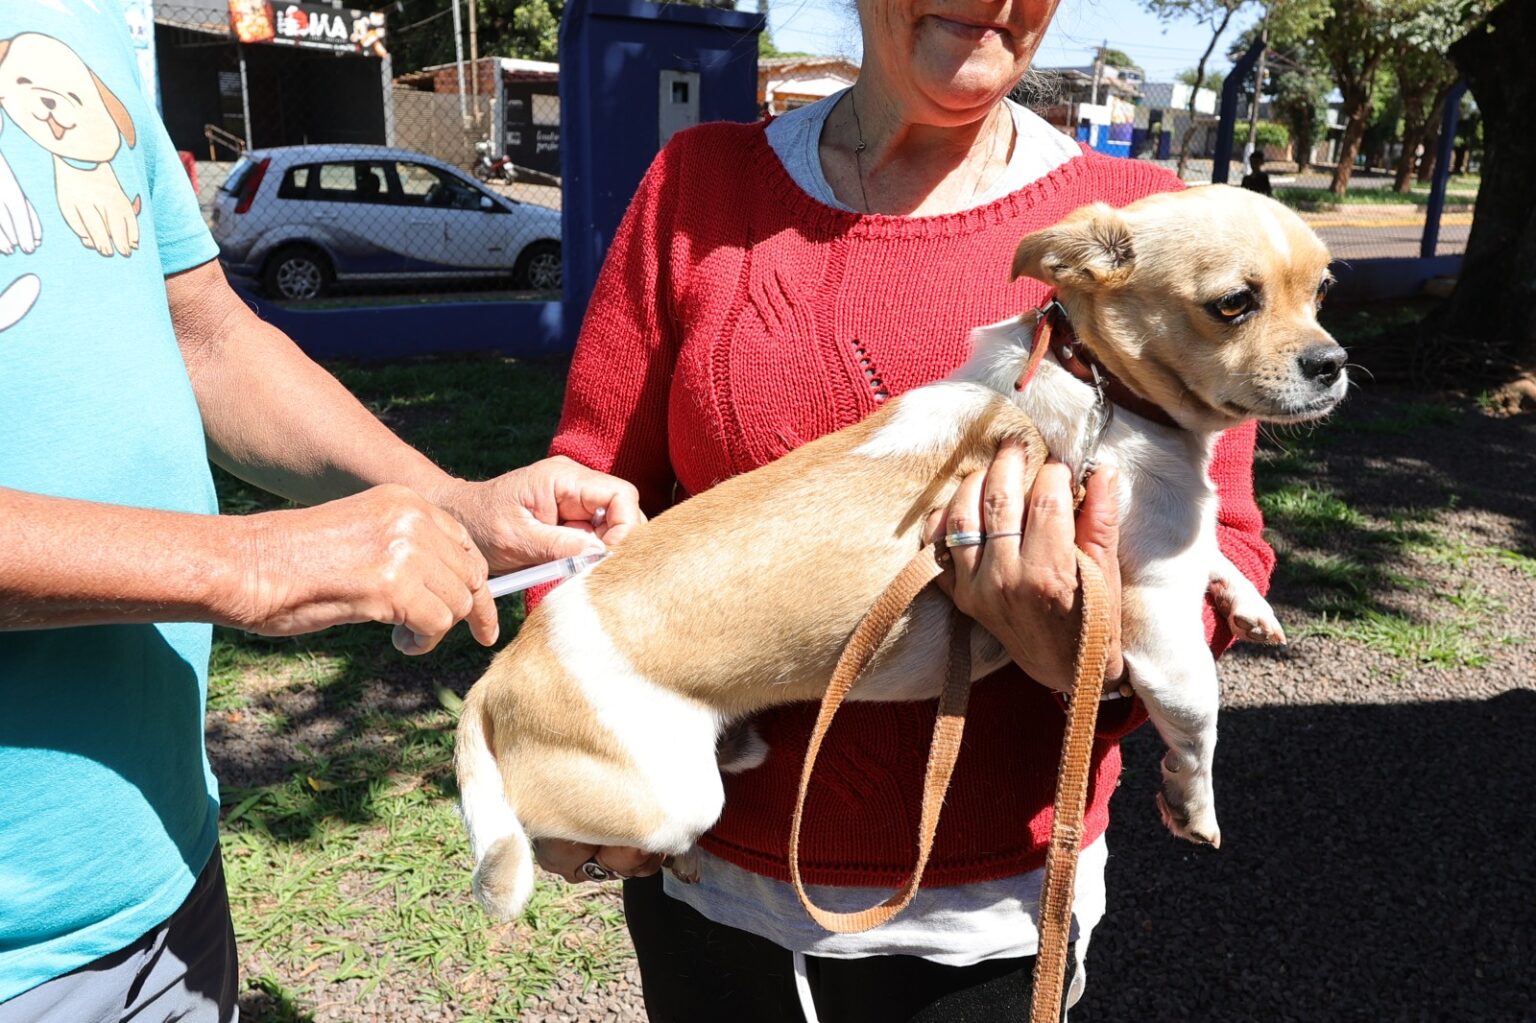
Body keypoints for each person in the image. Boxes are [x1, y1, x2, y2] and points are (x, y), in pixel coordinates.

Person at [532, 0, 1274, 1020]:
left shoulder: (1153, 228)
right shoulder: (700, 186)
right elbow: (590, 484)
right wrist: (573, 721)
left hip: (990, 914)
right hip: (708, 879)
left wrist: (1093, 652)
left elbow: (1222, 543)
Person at [0, 4, 640, 1020]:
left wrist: (450, 507)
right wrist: (245, 566)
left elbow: (205, 333)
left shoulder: (72, 14)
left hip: (162, 871)